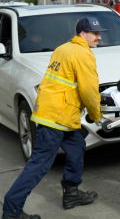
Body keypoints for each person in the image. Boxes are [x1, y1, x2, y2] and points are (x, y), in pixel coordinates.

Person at [1, 17, 106, 219]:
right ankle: (11, 210)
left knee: (76, 148)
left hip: (59, 114)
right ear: (82, 34)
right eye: (95, 33)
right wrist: (96, 115)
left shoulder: (62, 49)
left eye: (99, 33)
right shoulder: (83, 54)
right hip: (56, 117)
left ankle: (71, 192)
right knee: (39, 164)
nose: (99, 37)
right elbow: (89, 90)